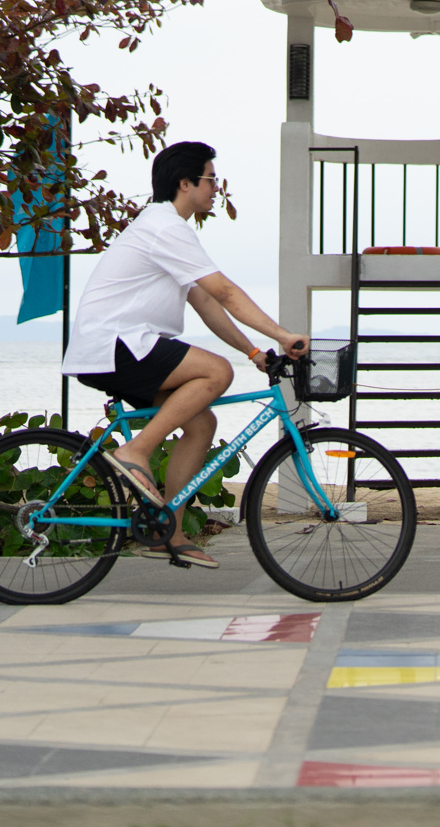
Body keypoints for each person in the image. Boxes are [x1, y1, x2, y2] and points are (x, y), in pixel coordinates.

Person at [61, 140, 307, 568]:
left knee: (201, 423)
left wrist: (252, 349)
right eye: (211, 180)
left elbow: (206, 303)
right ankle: (134, 451)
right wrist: (284, 336)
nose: (216, 189)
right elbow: (225, 291)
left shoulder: (169, 230)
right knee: (215, 371)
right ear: (185, 183)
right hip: (115, 344)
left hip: (120, 345)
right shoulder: (166, 227)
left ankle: (165, 532)